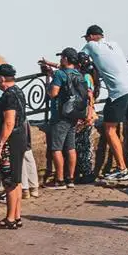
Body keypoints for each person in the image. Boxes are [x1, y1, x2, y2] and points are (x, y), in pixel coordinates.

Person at [80, 25, 128, 182]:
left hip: (119, 91)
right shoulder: (114, 44)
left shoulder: (90, 45)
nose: (86, 40)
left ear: (91, 36)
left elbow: (78, 60)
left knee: (109, 128)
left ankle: (122, 169)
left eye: (87, 37)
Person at [40, 48, 89, 188]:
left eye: (62, 57)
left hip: (60, 116)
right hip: (74, 115)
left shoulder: (60, 74)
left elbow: (53, 93)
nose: (60, 59)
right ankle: (70, 179)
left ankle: (59, 180)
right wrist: (51, 71)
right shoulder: (78, 74)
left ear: (66, 59)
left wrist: (49, 84)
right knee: (70, 147)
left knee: (56, 148)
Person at [0, 64, 28, 229]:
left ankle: (10, 218)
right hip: (19, 139)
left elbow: (9, 122)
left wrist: (0, 144)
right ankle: (16, 216)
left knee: (9, 180)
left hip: (10, 143)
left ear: (2, 78)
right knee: (16, 179)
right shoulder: (18, 91)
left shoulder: (9, 96)